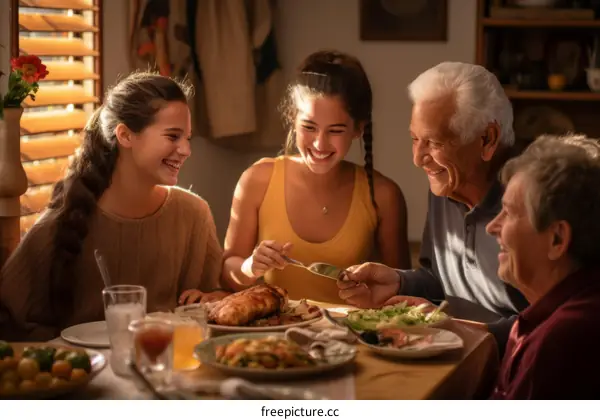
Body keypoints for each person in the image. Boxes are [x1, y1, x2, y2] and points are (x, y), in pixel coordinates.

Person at [0, 71, 226, 341]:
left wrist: (213, 300)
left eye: (187, 138)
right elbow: (9, 319)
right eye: (173, 136)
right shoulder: (64, 221)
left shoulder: (194, 215)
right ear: (125, 135)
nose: (186, 150)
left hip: (166, 368)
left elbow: (217, 304)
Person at [337, 62, 529, 350]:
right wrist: (399, 283)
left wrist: (461, 330)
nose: (418, 158)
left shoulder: (535, 201)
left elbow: (554, 325)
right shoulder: (448, 184)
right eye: (415, 139)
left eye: (434, 143)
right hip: (457, 356)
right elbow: (438, 280)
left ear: (487, 139)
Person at [216, 50, 411, 304]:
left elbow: (404, 291)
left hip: (351, 338)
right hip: (276, 336)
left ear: (357, 130)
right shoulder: (257, 180)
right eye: (309, 127)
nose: (320, 143)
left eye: (336, 130)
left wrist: (372, 294)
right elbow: (226, 275)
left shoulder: (384, 195)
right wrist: (249, 268)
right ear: (292, 119)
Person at [487, 134, 600, 399]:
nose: (492, 227)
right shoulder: (558, 315)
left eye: (510, 212)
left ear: (557, 239)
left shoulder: (562, 340)